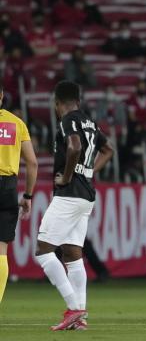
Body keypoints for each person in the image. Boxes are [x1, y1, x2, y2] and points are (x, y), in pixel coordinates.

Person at [35, 81, 114, 331]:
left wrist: (68, 176)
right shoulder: (90, 123)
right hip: (86, 196)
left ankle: (74, 308)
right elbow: (108, 149)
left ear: (58, 103)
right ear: (78, 101)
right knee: (72, 255)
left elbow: (74, 146)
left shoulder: (67, 120)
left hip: (69, 194)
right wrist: (88, 171)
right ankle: (80, 320)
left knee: (44, 250)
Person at [0, 81, 38, 305]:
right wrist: (28, 196)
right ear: (2, 96)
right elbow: (32, 163)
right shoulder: (17, 123)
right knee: (1, 250)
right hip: (8, 187)